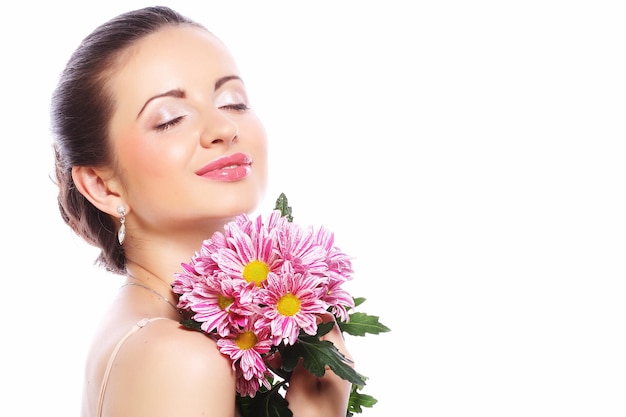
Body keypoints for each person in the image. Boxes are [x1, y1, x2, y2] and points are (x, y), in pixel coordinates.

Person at [50, 6, 353, 417]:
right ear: (102, 185)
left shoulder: (146, 327)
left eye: (233, 102)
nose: (224, 129)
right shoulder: (179, 358)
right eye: (170, 119)